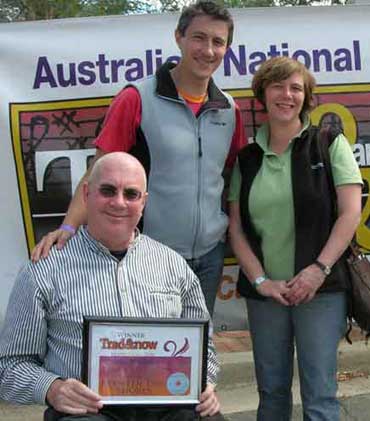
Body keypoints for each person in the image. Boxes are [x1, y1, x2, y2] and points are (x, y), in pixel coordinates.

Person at [31, 0, 246, 316]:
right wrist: (68, 229)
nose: (208, 50)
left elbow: (233, 181)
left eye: (218, 42)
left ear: (227, 48)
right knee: (146, 352)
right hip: (149, 254)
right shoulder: (136, 99)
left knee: (194, 353)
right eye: (199, 38)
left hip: (209, 259)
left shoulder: (229, 110)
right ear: (179, 38)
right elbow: (97, 174)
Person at [0, 152, 224, 421]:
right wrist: (53, 388)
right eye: (108, 190)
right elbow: (10, 367)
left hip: (168, 407)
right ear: (86, 194)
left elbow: (205, 351)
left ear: (144, 202)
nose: (119, 202)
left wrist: (205, 383)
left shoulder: (173, 266)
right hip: (88, 411)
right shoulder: (45, 269)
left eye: (131, 194)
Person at [228, 56, 363, 421]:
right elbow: (236, 227)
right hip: (266, 295)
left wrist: (317, 270)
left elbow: (351, 213)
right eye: (277, 86)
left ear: (306, 97)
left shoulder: (328, 143)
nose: (286, 95)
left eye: (295, 88)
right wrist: (261, 281)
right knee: (271, 394)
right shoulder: (247, 158)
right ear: (262, 94)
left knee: (319, 397)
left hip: (321, 291)